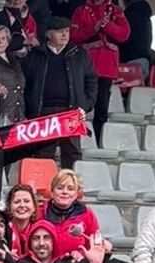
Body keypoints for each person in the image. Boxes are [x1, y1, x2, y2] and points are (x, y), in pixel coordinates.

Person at [21, 18, 95, 168]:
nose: (65, 35)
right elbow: (24, 84)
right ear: (48, 34)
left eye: (67, 31)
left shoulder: (80, 54)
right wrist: (30, 109)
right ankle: (43, 182)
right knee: (43, 152)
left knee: (72, 152)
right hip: (43, 111)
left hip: (71, 111)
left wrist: (86, 105)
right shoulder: (34, 55)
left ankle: (72, 182)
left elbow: (92, 81)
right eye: (60, 31)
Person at [69, 0, 128, 143]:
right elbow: (73, 35)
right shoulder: (80, 11)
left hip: (107, 66)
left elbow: (124, 34)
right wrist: (93, 28)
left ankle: (99, 141)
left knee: (102, 108)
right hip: (86, 65)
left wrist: (107, 25)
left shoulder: (115, 10)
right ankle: (76, 140)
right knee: (80, 105)